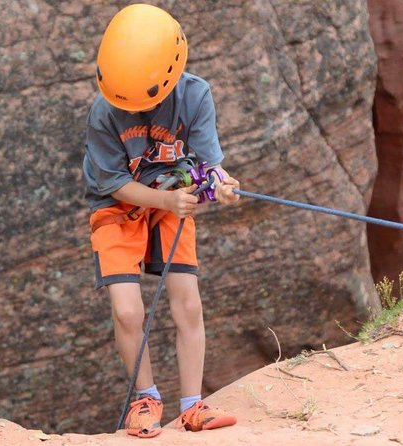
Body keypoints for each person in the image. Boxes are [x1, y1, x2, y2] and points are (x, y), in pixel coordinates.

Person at [83, 3, 240, 438]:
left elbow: (209, 164)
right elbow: (114, 184)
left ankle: (193, 406)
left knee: (187, 303)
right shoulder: (104, 112)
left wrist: (220, 185)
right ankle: (145, 399)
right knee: (127, 311)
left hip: (173, 195)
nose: (135, 110)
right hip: (118, 206)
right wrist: (166, 202)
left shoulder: (195, 95)